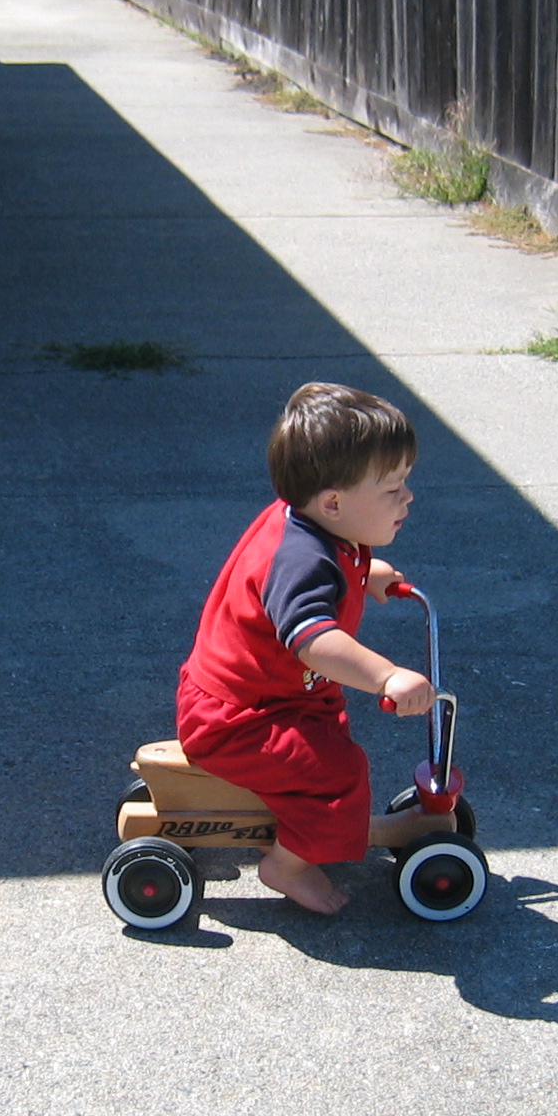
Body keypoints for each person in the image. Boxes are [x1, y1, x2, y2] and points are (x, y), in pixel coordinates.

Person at [176, 382, 446, 915]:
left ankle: (305, 824)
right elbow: (313, 639)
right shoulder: (300, 560)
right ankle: (286, 866)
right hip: (238, 717)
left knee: (328, 740)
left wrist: (363, 573)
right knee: (339, 774)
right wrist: (386, 675)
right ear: (334, 502)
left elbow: (327, 565)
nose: (408, 497)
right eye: (393, 488)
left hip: (272, 696)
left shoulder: (315, 524)